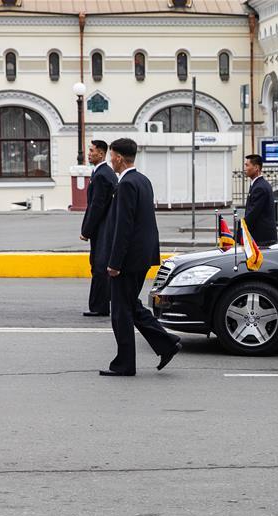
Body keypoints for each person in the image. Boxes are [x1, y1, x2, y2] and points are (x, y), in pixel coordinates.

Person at [101, 138, 181, 377]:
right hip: (142, 255)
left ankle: (125, 364)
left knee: (121, 311)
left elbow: (124, 227)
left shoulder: (126, 184)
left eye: (111, 156)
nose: (110, 161)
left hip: (128, 259)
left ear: (118, 157)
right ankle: (166, 343)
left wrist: (115, 263)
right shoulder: (142, 180)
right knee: (130, 305)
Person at [80, 140, 117, 317]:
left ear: (101, 154)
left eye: (92, 150)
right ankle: (102, 304)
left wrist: (86, 230)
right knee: (100, 265)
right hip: (104, 226)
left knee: (100, 266)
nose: (89, 153)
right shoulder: (103, 172)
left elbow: (97, 205)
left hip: (103, 227)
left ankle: (99, 306)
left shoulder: (102, 175)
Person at [243, 154, 278, 246]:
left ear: (256, 167)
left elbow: (252, 214)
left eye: (247, 165)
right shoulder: (259, 184)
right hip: (261, 238)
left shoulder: (260, 187)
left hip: (262, 239)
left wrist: (239, 231)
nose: (245, 168)